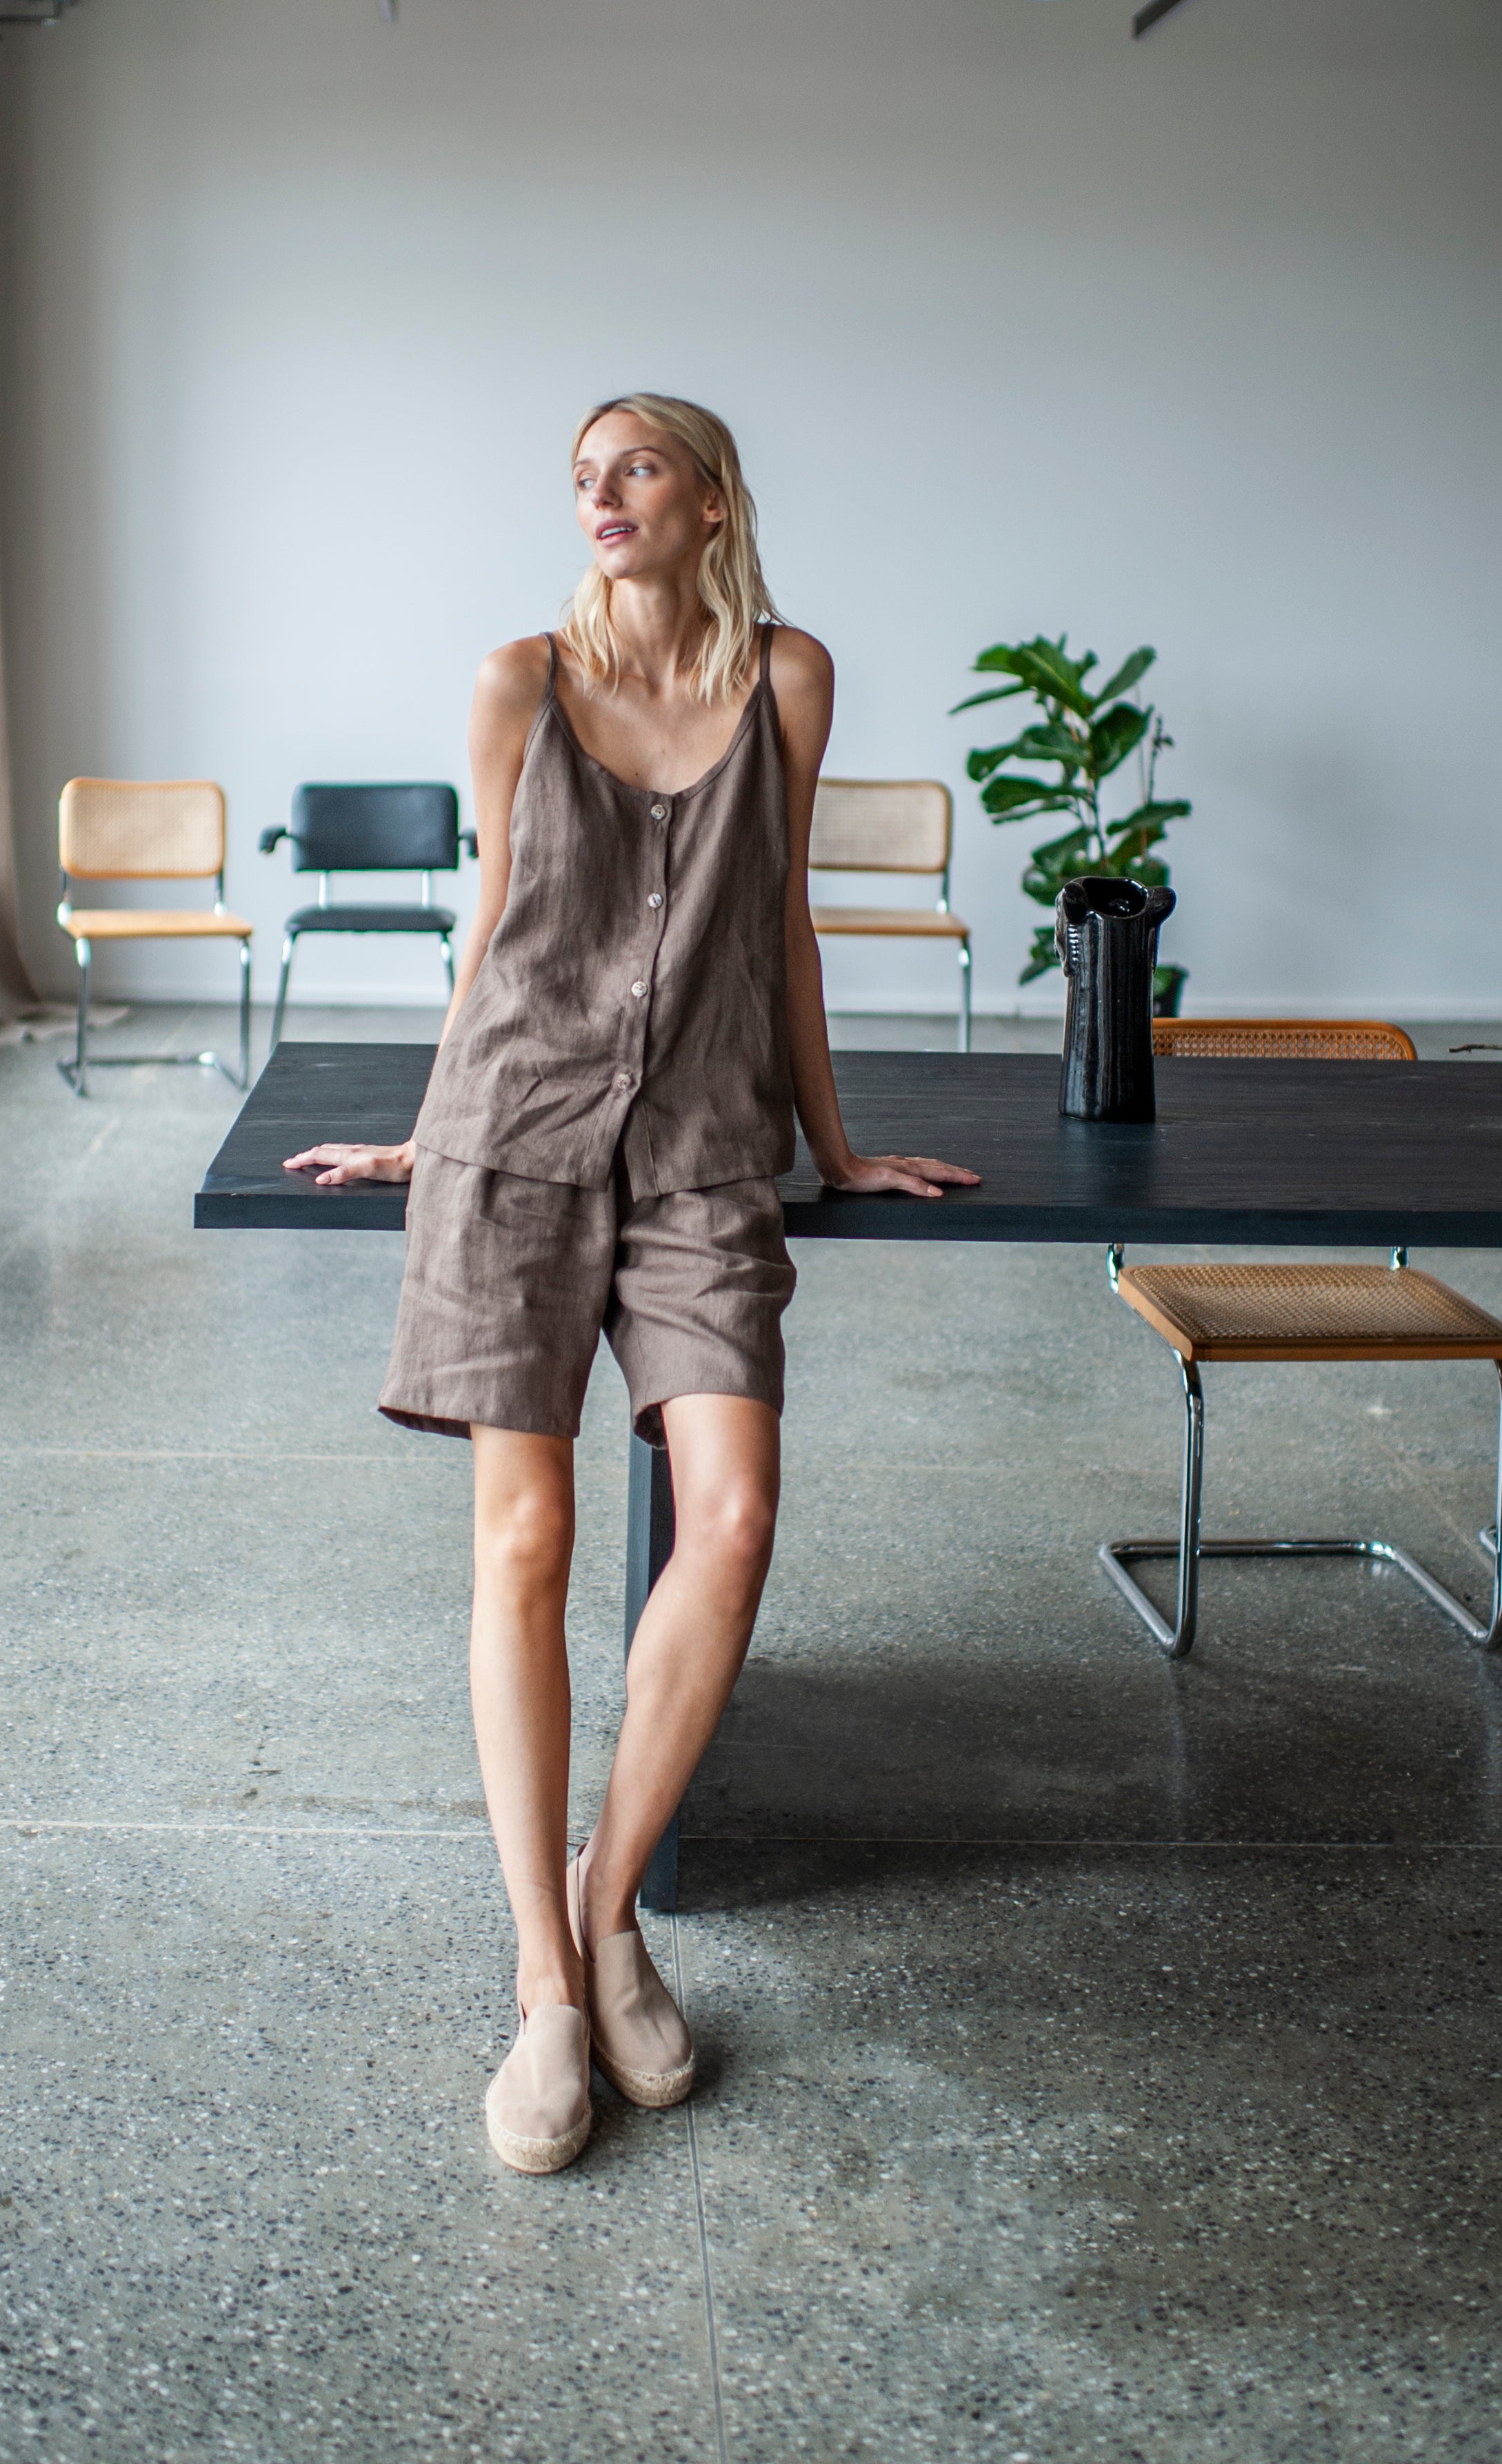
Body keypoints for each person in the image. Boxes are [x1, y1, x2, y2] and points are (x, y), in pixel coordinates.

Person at [286, 394, 977, 2174]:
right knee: (521, 1543)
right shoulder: (520, 677)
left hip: (700, 1153)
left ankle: (608, 1913)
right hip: (512, 1136)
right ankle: (543, 1980)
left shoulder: (788, 677)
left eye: (636, 467)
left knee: (729, 1518)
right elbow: (495, 923)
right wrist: (427, 1136)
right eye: (582, 476)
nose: (598, 495)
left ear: (714, 496)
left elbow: (781, 923)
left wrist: (836, 1144)